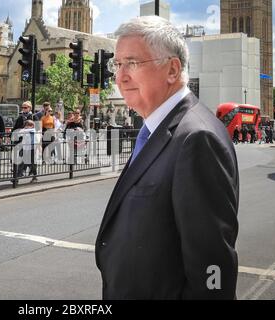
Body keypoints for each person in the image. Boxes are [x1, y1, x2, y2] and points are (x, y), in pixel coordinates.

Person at [95, 16, 239, 300]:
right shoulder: (156, 129)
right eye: (117, 64)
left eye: (132, 63)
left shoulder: (197, 138)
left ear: (172, 70)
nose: (120, 76)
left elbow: (212, 271)